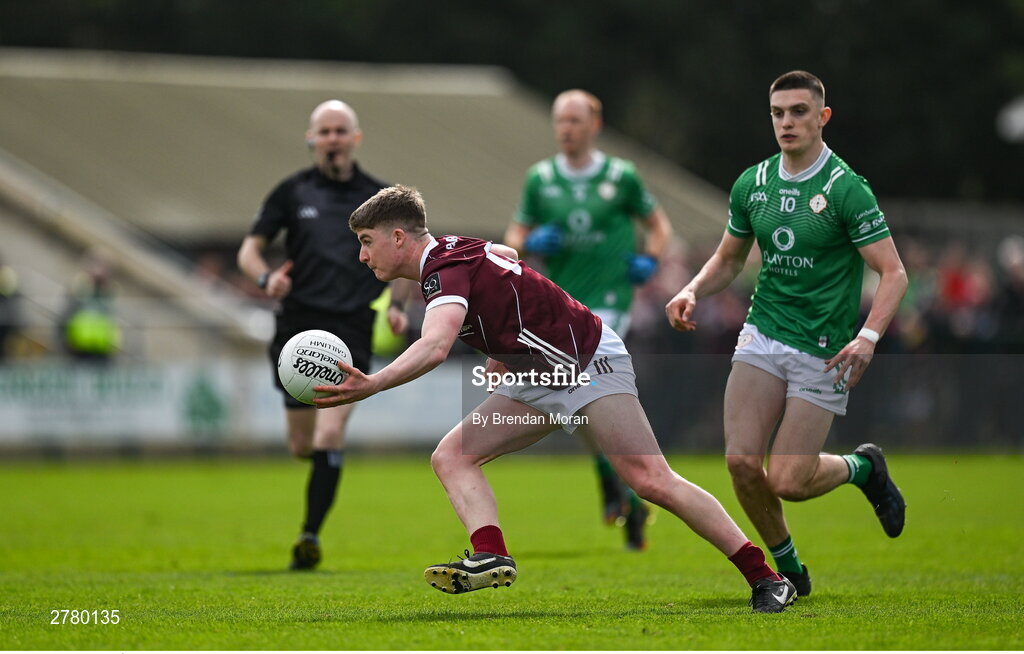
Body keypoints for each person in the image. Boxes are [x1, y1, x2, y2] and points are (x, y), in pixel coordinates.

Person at [314, 185, 797, 613]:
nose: (363, 255)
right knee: (452, 457)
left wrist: (372, 384)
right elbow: (506, 256)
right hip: (539, 374)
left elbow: (435, 347)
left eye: (366, 241)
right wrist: (507, 345)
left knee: (650, 480)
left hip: (586, 363)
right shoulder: (455, 248)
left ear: (398, 238)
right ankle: (492, 554)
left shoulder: (440, 270)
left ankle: (767, 578)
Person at [665, 71, 909, 598]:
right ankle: (789, 571)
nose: (786, 122)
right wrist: (692, 290)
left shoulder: (846, 188)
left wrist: (867, 336)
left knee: (788, 482)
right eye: (778, 113)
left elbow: (894, 273)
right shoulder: (753, 184)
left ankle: (863, 468)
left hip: (825, 348)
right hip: (765, 331)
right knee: (741, 463)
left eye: (798, 112)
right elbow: (730, 259)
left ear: (822, 117)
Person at [237, 100, 409, 571]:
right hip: (296, 327)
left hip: (351, 326)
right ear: (312, 139)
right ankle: (314, 503)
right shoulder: (291, 193)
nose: (333, 138)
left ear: (356, 138)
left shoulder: (380, 198)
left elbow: (411, 257)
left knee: (329, 435)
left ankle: (309, 536)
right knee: (302, 446)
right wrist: (264, 279)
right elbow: (250, 251)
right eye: (324, 131)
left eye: (341, 130)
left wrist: (396, 305)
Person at [503, 90, 674, 550]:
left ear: (594, 125)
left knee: (582, 391)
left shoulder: (621, 176)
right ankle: (620, 483)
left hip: (611, 302)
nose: (566, 128)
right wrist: (532, 239)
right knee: (578, 404)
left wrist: (651, 259)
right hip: (561, 306)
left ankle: (620, 484)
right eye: (560, 120)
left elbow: (659, 225)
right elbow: (513, 237)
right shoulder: (540, 179)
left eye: (575, 120)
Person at [58, 250, 121, 363]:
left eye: (104, 266)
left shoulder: (109, 291)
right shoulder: (79, 288)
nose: (100, 270)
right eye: (97, 264)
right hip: (78, 349)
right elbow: (64, 318)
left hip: (103, 349)